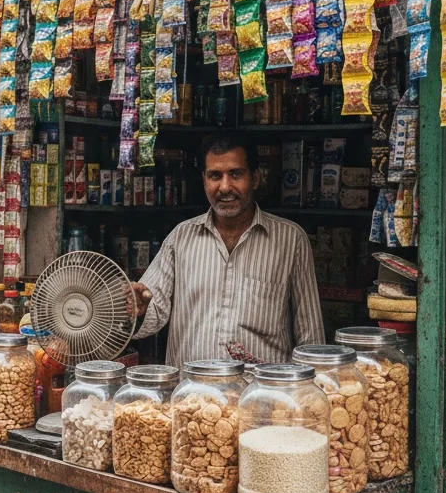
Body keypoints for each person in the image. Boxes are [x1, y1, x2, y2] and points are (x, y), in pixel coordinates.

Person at [130, 131, 323, 368]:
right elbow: (153, 309)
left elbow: (310, 335)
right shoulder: (181, 237)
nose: (224, 187)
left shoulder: (290, 240)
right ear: (204, 180)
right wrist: (138, 310)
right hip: (192, 397)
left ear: (255, 178)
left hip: (262, 396)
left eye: (235, 174)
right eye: (215, 176)